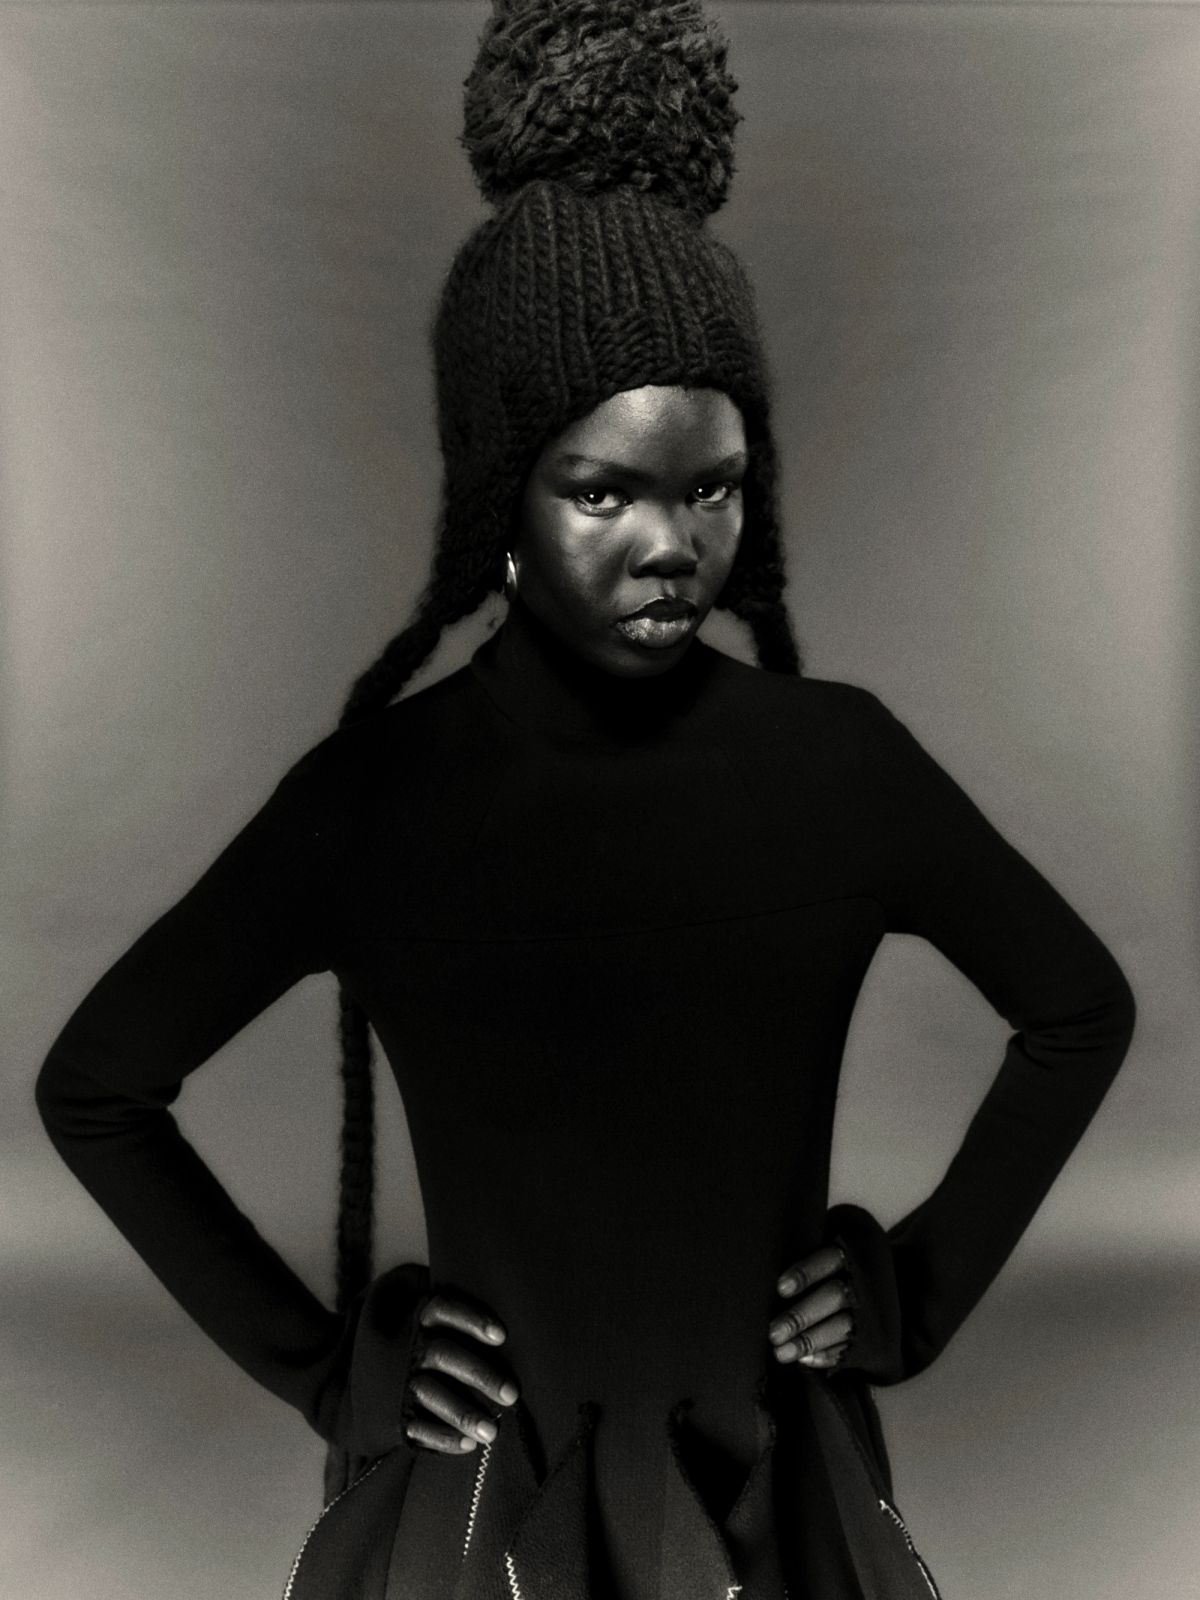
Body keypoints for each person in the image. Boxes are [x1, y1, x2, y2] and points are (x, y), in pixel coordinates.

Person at [34, 3, 1138, 1598]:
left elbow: (1078, 1009)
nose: (669, 543)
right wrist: (327, 1367)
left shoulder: (841, 762)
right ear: (500, 497)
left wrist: (914, 1287)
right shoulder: (381, 797)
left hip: (771, 1489)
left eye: (712, 486)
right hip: (491, 1498)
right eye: (603, 489)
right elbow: (100, 1091)